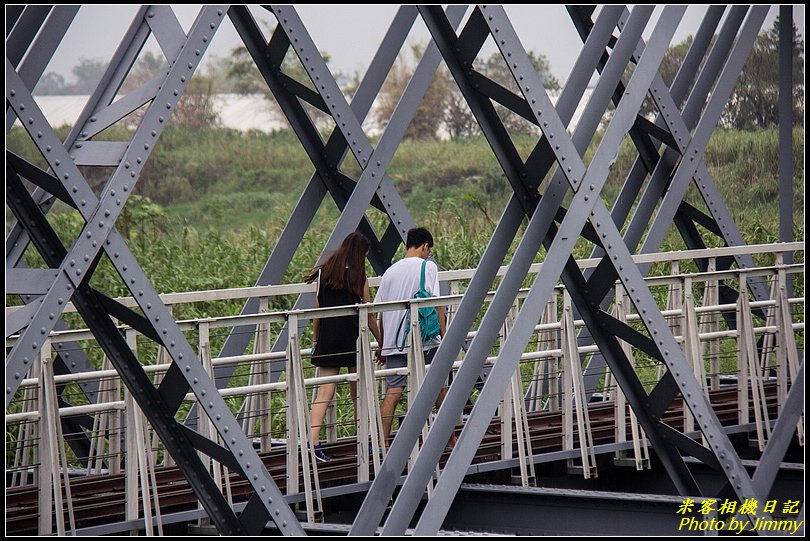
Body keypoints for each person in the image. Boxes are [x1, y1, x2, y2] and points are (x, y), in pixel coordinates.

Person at [374, 227, 456, 448]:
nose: (428, 254)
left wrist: (383, 345)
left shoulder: (390, 271)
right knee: (439, 388)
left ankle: (382, 445)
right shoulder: (427, 266)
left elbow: (381, 311)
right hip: (424, 340)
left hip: (394, 343)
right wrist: (444, 333)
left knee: (392, 393)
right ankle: (450, 441)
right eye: (429, 250)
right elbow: (435, 302)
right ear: (425, 246)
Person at [306, 232, 382, 462]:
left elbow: (318, 311)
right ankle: (364, 441)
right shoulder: (359, 275)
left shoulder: (324, 273)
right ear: (360, 253)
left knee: (325, 392)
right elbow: (367, 313)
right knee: (357, 392)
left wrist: (316, 339)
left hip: (328, 339)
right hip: (351, 339)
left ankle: (313, 443)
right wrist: (381, 340)